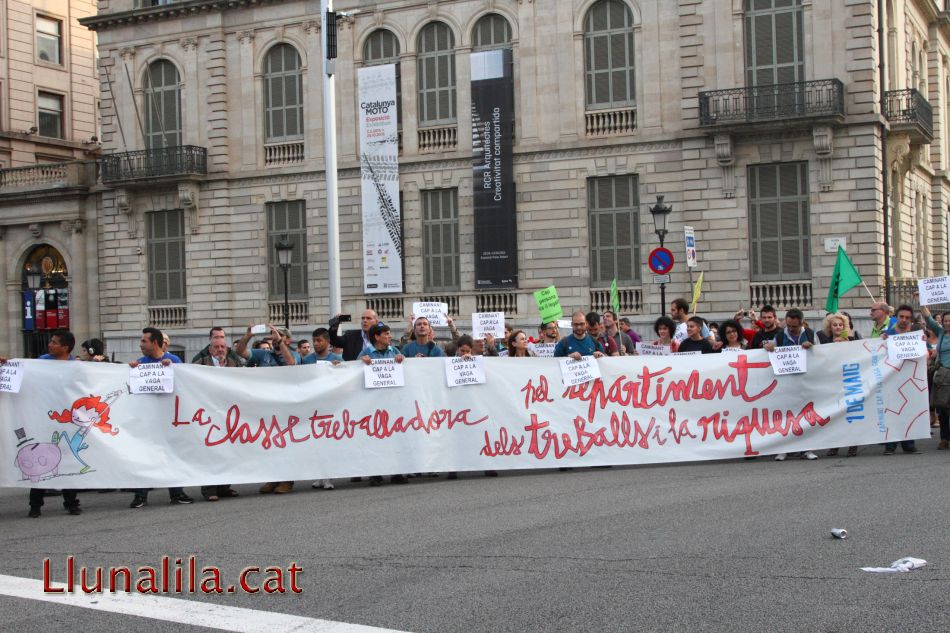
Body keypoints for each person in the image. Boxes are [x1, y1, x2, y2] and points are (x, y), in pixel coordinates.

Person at [1, 331, 83, 518]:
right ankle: (35, 505)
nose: (50, 345)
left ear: (66, 347)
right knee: (38, 460)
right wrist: (7, 365)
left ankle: (71, 502)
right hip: (42, 418)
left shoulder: (76, 366)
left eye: (54, 342)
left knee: (66, 463)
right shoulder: (41, 362)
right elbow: (24, 374)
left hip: (65, 421)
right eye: (51, 341)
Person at [129, 328, 194, 507]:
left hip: (169, 419)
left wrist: (174, 370)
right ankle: (140, 495)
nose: (140, 344)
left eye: (144, 341)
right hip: (148, 420)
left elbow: (185, 385)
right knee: (144, 456)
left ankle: (177, 493)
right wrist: (131, 371)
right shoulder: (140, 363)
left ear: (155, 343)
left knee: (172, 455)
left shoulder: (173, 361)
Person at [763, 312, 819, 461]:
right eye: (789, 325)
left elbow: (822, 354)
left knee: (807, 415)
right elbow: (771, 349)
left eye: (794, 326)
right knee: (786, 416)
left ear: (802, 323)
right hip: (786, 383)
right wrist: (769, 348)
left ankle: (808, 449)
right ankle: (784, 449)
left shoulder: (811, 334)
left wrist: (812, 347)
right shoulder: (780, 336)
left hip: (806, 382)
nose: (791, 329)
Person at [193, 339, 241, 501]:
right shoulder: (201, 364)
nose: (220, 350)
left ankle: (224, 487)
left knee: (227, 450)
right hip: (208, 413)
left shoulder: (234, 364)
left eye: (223, 347)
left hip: (228, 413)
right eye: (216, 347)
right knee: (210, 451)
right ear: (210, 350)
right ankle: (209, 489)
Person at [880, 305, 924, 455]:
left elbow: (927, 353)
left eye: (907, 318)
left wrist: (925, 344)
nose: (904, 320)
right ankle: (890, 445)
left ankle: (909, 444)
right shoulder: (887, 335)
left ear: (910, 320)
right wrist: (881, 341)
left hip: (910, 380)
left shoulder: (916, 336)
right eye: (901, 317)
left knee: (908, 410)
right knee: (891, 411)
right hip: (891, 380)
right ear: (896, 317)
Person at [921, 304, 950, 450]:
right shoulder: (941, 333)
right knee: (943, 408)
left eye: (949, 321)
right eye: (945, 321)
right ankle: (945, 438)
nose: (947, 323)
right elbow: (929, 319)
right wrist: (921, 302)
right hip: (942, 377)